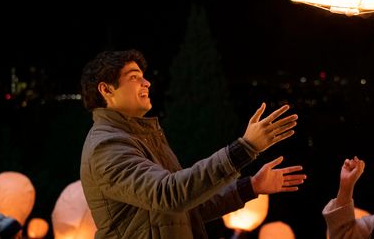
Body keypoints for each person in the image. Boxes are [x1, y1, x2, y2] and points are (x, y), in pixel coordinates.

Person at [79, 49, 306, 239]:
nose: (146, 83)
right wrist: (244, 148)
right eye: (133, 77)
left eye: (143, 76)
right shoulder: (106, 145)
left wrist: (251, 186)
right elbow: (168, 194)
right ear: (106, 90)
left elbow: (189, 208)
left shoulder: (142, 138)